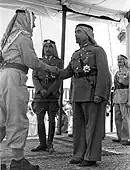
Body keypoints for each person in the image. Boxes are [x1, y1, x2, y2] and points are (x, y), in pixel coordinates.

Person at [0, 8, 58, 170]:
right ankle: (18, 161)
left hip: (3, 77)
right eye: (32, 23)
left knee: (1, 121)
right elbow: (32, 61)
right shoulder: (23, 37)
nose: (33, 27)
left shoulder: (7, 39)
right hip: (14, 78)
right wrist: (50, 68)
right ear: (25, 21)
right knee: (17, 118)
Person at [58, 23, 110, 167]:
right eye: (75, 31)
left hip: (92, 93)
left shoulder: (98, 51)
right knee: (78, 127)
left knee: (92, 127)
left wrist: (100, 93)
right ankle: (79, 154)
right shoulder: (75, 54)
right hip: (77, 94)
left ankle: (91, 156)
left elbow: (104, 73)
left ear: (88, 34)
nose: (75, 34)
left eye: (79, 31)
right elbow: (67, 72)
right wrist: (48, 69)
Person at [31, 39, 63, 153]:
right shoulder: (38, 61)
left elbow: (59, 78)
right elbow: (34, 77)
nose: (47, 49)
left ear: (53, 49)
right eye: (45, 47)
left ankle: (50, 143)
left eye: (50, 47)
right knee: (40, 119)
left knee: (52, 120)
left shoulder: (59, 62)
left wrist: (49, 91)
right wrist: (40, 89)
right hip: (40, 95)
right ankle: (42, 143)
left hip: (52, 95)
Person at [113, 54, 130, 145]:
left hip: (125, 96)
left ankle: (125, 138)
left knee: (125, 117)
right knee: (117, 117)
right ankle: (120, 136)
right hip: (117, 96)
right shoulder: (117, 72)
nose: (119, 61)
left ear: (125, 61)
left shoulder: (128, 72)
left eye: (121, 59)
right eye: (118, 59)